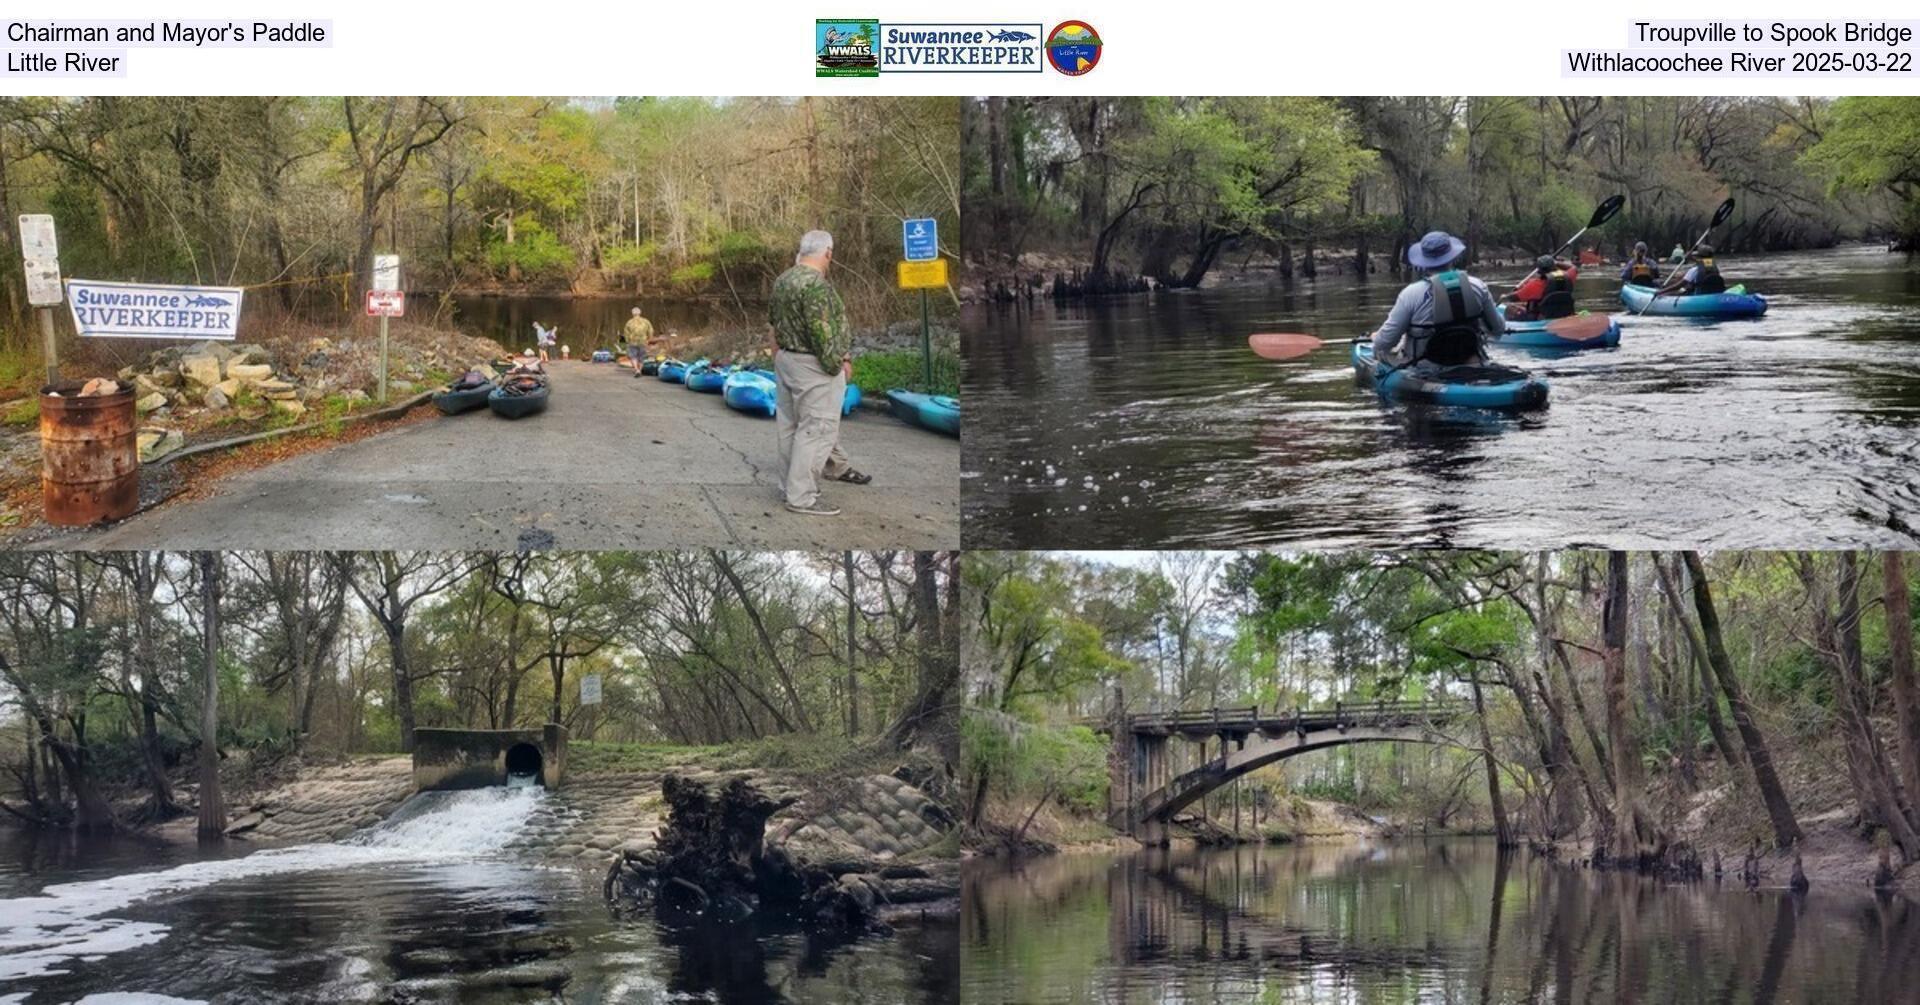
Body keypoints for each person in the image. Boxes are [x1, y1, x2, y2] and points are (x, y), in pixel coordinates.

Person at [769, 229, 870, 516]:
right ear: (827, 253)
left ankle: (788, 486)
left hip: (786, 359)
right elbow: (824, 334)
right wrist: (838, 365)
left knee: (789, 427)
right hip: (813, 365)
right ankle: (801, 497)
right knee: (816, 430)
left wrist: (778, 356)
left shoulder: (783, 281)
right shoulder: (817, 287)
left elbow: (773, 324)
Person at [1371, 231, 1505, 367]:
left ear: (1424, 262)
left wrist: (1376, 339)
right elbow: (1498, 329)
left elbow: (1384, 343)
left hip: (1425, 369)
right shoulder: (1478, 286)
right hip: (1471, 364)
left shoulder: (1410, 294)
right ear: (1452, 258)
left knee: (1382, 348)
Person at [1509, 253, 1579, 320]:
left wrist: (1505, 296)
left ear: (1539, 270)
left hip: (1542, 318)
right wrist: (1556, 262)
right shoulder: (1569, 276)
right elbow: (1573, 267)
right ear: (1554, 267)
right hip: (1565, 315)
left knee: (1510, 308)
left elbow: (1514, 298)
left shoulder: (1534, 284)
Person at [1658, 244, 1728, 295]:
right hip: (1715, 294)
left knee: (1678, 291)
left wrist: (1662, 291)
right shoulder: (1714, 267)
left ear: (1697, 256)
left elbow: (1679, 285)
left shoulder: (1695, 270)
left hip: (1699, 296)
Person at [623, 306, 655, 377]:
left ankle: (636, 370)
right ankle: (639, 370)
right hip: (643, 342)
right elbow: (651, 331)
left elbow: (626, 333)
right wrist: (649, 340)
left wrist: (627, 341)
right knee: (641, 357)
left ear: (632, 313)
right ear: (640, 313)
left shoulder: (629, 322)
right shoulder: (646, 321)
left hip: (632, 342)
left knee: (633, 356)